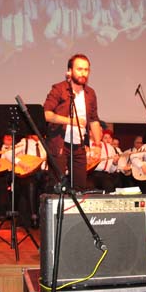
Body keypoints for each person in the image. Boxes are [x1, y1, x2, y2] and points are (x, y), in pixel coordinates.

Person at [44, 53, 102, 191]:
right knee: (57, 186)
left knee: (80, 187)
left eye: (86, 70)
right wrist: (71, 121)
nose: (83, 73)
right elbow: (46, 114)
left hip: (79, 145)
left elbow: (94, 120)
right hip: (59, 144)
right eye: (79, 69)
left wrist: (98, 144)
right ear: (70, 71)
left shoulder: (90, 93)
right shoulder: (59, 89)